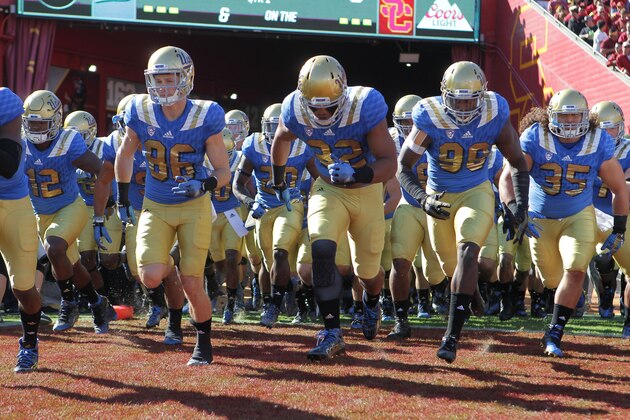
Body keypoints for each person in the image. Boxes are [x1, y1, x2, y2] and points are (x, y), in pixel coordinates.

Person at [398, 61, 531, 363]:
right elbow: (403, 167)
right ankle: (473, 295)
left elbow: (518, 162)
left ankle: (451, 337)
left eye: (470, 99)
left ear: (482, 96)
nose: (463, 106)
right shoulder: (429, 116)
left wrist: (518, 205)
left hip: (476, 191)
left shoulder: (494, 112)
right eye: (457, 99)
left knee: (468, 254)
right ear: (445, 95)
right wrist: (422, 199)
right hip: (439, 196)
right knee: (450, 268)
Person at [270, 55, 397, 360]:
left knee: (367, 272)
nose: (322, 112)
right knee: (322, 250)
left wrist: (359, 173)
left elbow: (389, 163)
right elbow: (281, 140)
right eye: (314, 106)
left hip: (366, 190)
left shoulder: (364, 105)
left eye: (328, 105)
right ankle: (332, 332)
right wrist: (279, 181)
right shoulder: (294, 107)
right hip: (328, 188)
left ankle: (371, 299)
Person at [114, 46, 231, 365]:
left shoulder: (205, 114)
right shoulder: (139, 109)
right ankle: (171, 265)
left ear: (186, 79)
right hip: (156, 203)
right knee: (149, 275)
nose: (163, 86)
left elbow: (223, 172)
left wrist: (203, 183)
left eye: (170, 78)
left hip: (194, 205)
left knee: (194, 282)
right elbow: (125, 155)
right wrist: (123, 197)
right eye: (158, 79)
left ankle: (203, 343)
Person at [500, 89, 629, 357]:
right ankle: (561, 310)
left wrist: (619, 228)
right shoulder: (536, 136)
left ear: (586, 118)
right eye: (564, 117)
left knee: (576, 271)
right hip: (539, 218)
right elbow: (509, 176)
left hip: (578, 214)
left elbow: (619, 188)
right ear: (551, 117)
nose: (570, 123)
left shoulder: (597, 140)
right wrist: (514, 209)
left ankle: (555, 333)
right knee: (552, 279)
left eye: (575, 117)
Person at [23, 90, 117, 335]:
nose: (34, 128)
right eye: (31, 122)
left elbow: (102, 171)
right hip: (40, 214)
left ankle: (68, 302)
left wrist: (100, 213)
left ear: (55, 121)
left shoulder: (68, 140)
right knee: (72, 266)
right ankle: (97, 303)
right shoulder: (20, 142)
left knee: (55, 248)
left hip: (70, 208)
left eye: (40, 122)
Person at [233, 103, 317, 328]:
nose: (274, 132)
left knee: (281, 253)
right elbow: (238, 185)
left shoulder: (303, 146)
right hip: (263, 208)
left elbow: (320, 180)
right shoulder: (254, 145)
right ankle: (278, 299)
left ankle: (274, 306)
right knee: (267, 264)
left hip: (291, 206)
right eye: (271, 126)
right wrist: (251, 203)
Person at [0, 87, 43, 372]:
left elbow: (7, 163)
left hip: (14, 209)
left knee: (24, 288)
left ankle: (29, 342)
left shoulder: (6, 107)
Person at [590, 101, 630, 326]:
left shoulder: (628, 150)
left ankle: (627, 312)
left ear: (621, 127)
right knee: (603, 259)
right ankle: (606, 292)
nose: (607, 134)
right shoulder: (585, 147)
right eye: (601, 129)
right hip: (593, 212)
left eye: (611, 128)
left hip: (624, 212)